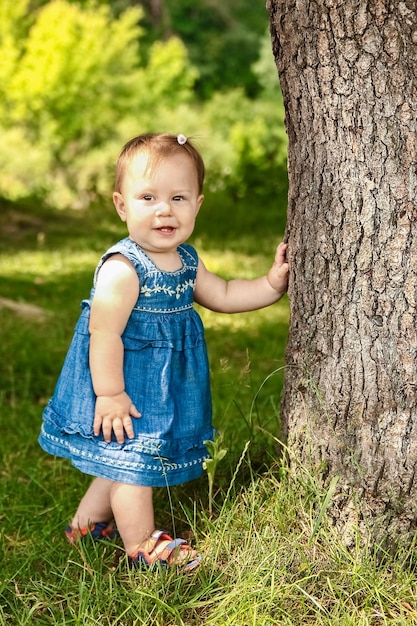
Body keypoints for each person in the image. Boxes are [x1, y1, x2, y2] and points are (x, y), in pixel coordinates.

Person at [39, 132, 289, 572]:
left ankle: (88, 523)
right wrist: (111, 393)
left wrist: (270, 285)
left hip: (165, 382)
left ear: (198, 204)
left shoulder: (187, 260)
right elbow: (103, 333)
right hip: (124, 382)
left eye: (178, 197)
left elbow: (226, 294)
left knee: (122, 456)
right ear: (121, 205)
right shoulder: (124, 267)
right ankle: (142, 546)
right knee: (133, 461)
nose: (164, 209)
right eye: (148, 197)